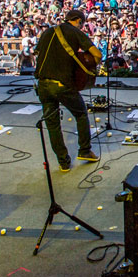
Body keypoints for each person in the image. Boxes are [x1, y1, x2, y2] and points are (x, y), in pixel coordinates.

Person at [34, 10, 103, 172]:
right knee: (80, 113)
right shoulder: (75, 32)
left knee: (53, 124)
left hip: (43, 84)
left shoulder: (47, 32)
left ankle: (63, 162)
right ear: (78, 21)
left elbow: (38, 53)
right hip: (62, 84)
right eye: (82, 23)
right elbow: (97, 55)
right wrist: (86, 66)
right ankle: (85, 150)